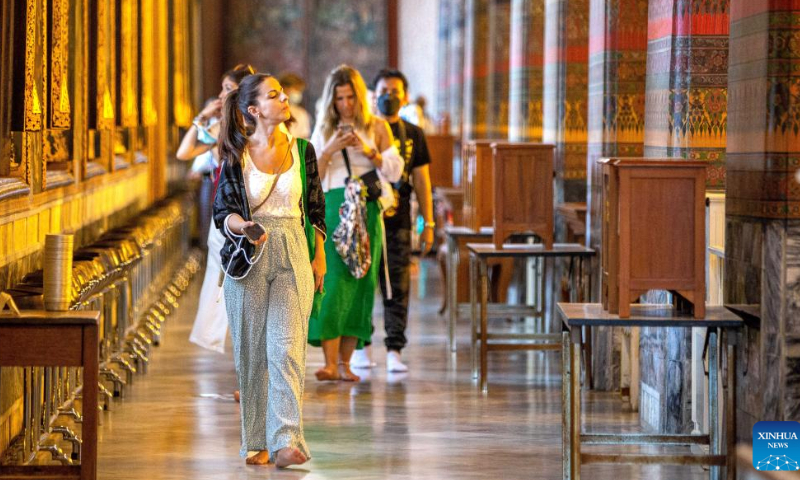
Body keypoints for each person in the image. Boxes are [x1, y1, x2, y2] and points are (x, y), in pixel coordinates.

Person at [213, 73, 326, 467]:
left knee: (287, 348)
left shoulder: (303, 150)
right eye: (273, 95)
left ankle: (286, 440)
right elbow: (221, 213)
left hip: (293, 250)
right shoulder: (234, 153)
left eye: (283, 93)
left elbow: (314, 209)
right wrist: (243, 226)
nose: (284, 99)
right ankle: (256, 440)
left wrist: (319, 258)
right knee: (251, 352)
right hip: (250, 253)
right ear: (254, 109)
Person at [308, 65, 403, 382]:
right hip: (334, 207)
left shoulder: (376, 127)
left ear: (359, 97)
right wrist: (330, 151)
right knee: (333, 284)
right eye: (339, 99)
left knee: (361, 283)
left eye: (350, 97)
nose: (346, 104)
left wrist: (369, 151)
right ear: (331, 101)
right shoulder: (323, 130)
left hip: (367, 210)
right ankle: (329, 363)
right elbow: (313, 180)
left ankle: (346, 365)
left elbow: (394, 172)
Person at [351, 69, 434, 373]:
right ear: (374, 95)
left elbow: (422, 179)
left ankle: (395, 349)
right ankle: (361, 344)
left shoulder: (413, 133)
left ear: (406, 96)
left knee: (397, 284)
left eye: (395, 90)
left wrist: (429, 224)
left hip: (398, 217)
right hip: (364, 215)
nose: (390, 95)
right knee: (362, 281)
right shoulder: (362, 129)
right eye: (384, 90)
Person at [178, 63, 255, 354]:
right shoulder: (219, 126)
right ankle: (223, 337)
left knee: (245, 278)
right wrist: (203, 117)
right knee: (221, 270)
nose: (221, 95)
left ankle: (244, 342)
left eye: (228, 89)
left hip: (252, 205)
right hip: (226, 207)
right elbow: (184, 152)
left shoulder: (253, 126)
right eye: (222, 88)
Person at [278, 72, 312, 138]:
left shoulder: (301, 113)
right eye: (296, 89)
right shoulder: (274, 111)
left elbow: (304, 139)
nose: (297, 93)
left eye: (299, 90)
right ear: (283, 88)